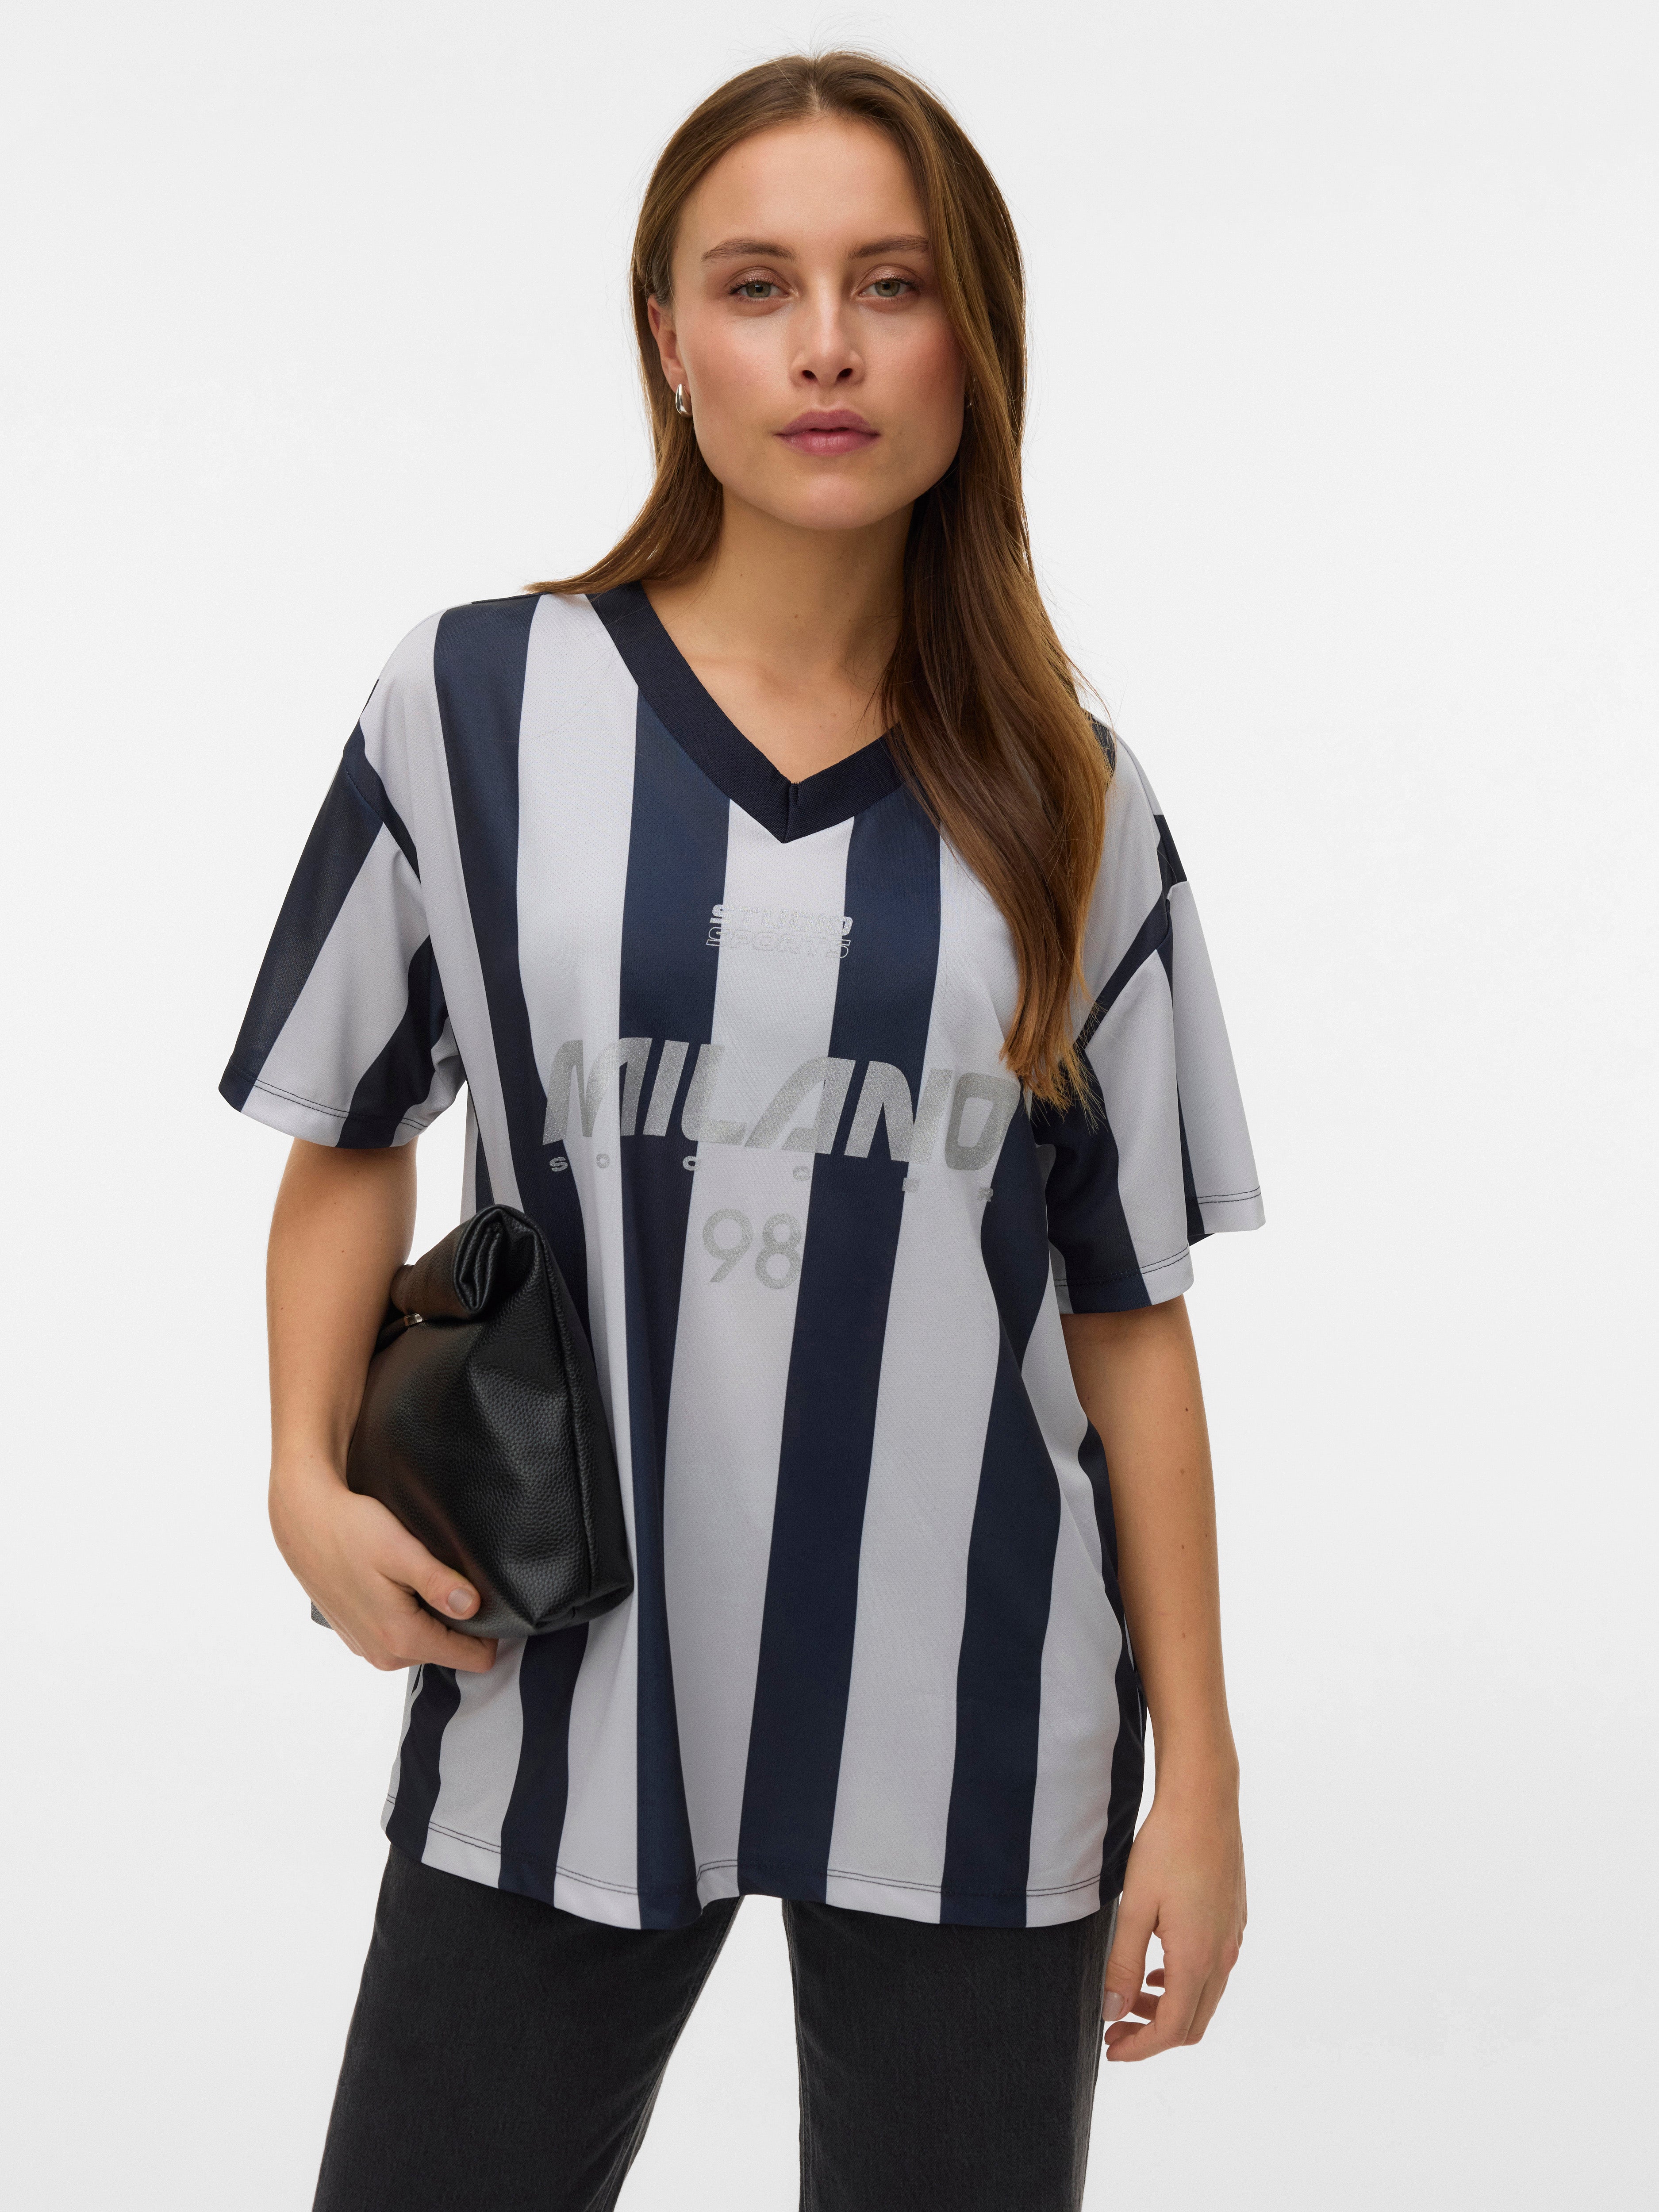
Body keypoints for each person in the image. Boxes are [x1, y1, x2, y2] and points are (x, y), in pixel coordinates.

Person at [223, 49, 1263, 2212]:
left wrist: (1202, 1774)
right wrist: (302, 1481)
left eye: (889, 284)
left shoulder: (1073, 798)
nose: (823, 347)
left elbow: (1125, 1312)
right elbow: (345, 1123)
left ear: (971, 343)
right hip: (555, 1689)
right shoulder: (475, 705)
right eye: (756, 284)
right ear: (667, 339)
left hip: (978, 1727)